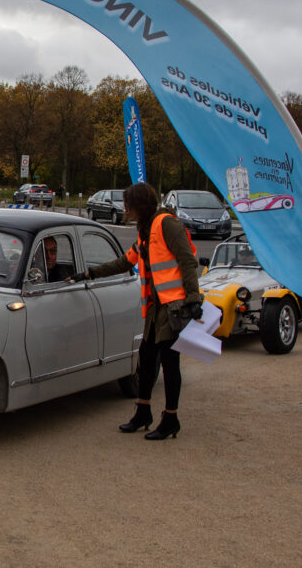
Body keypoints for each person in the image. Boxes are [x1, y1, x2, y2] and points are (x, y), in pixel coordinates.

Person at [70, 183, 202, 440]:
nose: (125, 210)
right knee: (147, 358)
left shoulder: (166, 224)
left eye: (128, 205)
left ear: (138, 205)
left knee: (169, 363)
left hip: (173, 307)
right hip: (155, 308)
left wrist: (193, 298)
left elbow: (187, 259)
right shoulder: (146, 230)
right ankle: (143, 412)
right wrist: (90, 273)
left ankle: (171, 418)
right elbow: (125, 262)